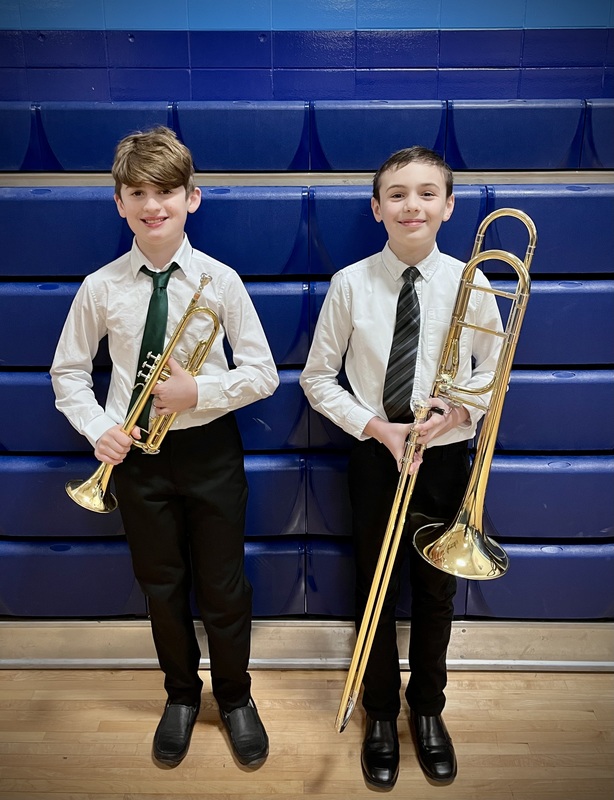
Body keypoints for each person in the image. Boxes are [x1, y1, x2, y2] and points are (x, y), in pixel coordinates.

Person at [51, 126, 279, 769]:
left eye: (168, 192)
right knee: (161, 584)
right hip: (136, 461)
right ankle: (181, 696)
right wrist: (99, 429)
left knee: (225, 586)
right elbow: (68, 373)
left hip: (209, 450)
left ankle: (235, 698)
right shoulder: (101, 286)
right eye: (139, 193)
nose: (155, 206)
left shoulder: (220, 280)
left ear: (193, 198)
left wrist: (198, 392)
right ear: (118, 202)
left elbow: (262, 373)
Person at [300, 146, 503, 789]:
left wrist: (455, 416)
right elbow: (315, 379)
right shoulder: (350, 284)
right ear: (376, 208)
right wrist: (375, 427)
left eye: (425, 193)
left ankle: (429, 709)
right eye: (396, 194)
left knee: (438, 588)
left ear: (447, 206)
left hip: (445, 457)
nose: (410, 205)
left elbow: (490, 372)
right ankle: (382, 712)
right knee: (376, 588)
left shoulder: (473, 281)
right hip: (375, 453)